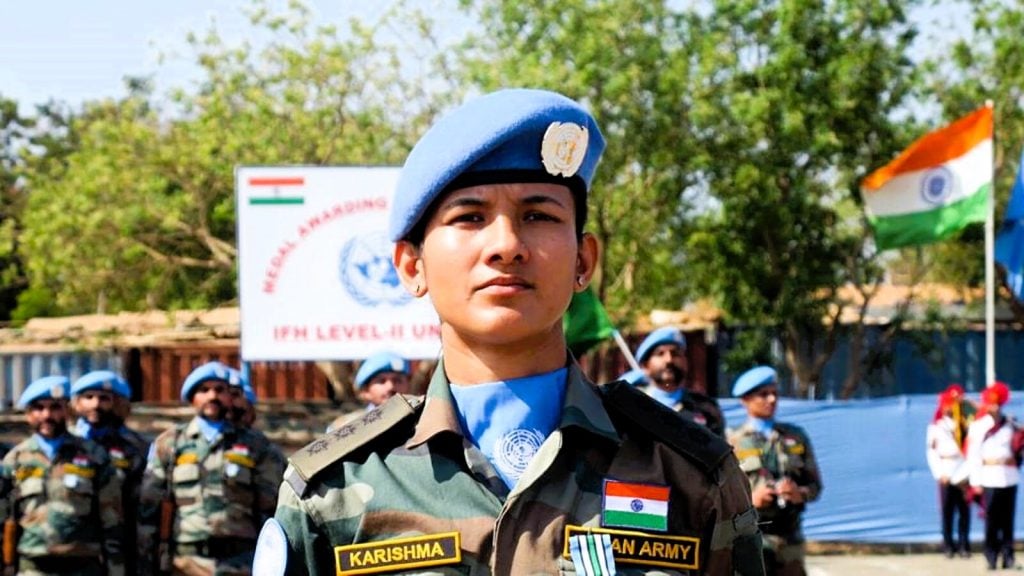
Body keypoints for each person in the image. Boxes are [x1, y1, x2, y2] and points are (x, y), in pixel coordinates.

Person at [260, 88, 764, 575]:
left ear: (584, 261)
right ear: (411, 266)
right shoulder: (333, 488)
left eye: (538, 214)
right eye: (470, 216)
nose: (506, 245)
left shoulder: (692, 474)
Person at [137, 361, 284, 575]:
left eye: (220, 390)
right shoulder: (170, 442)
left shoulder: (256, 444)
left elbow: (269, 507)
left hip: (241, 560)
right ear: (192, 398)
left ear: (230, 397)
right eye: (204, 390)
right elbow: (151, 507)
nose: (212, 396)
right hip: (186, 562)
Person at [0, 375, 124, 575]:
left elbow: (111, 520)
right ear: (28, 415)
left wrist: (116, 569)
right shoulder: (14, 460)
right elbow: (4, 517)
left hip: (82, 564)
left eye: (55, 407)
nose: (47, 415)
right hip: (32, 566)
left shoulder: (94, 456)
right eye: (38, 408)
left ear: (68, 410)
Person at [728, 366, 821, 576]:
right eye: (763, 394)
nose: (771, 399)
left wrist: (799, 494)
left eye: (774, 394)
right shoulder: (732, 441)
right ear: (746, 400)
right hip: (750, 539)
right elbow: (719, 495)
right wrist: (751, 500)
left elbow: (815, 486)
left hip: (789, 541)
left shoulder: (796, 436)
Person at [71, 370, 150, 575]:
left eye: (104, 398)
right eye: (89, 397)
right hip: (74, 548)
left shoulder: (135, 448)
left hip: (121, 548)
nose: (96, 405)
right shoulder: (65, 444)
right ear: (77, 403)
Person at [965, 382, 1023, 570]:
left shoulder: (1010, 424)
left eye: (998, 403)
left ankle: (1008, 556)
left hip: (1009, 476)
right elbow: (973, 456)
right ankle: (991, 555)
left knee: (1008, 520)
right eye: (991, 403)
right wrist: (976, 482)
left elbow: (1017, 447)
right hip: (988, 477)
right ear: (986, 404)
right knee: (991, 520)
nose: (995, 407)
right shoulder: (979, 426)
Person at [634, 326, 725, 436]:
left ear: (685, 362)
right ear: (645, 366)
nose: (669, 360)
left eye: (675, 353)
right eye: (660, 353)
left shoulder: (707, 408)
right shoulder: (635, 405)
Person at [926, 386, 972, 558]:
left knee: (964, 510)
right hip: (945, 468)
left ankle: (964, 545)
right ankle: (948, 545)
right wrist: (939, 473)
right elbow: (931, 452)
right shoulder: (936, 427)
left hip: (963, 468)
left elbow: (971, 450)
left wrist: (967, 473)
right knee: (947, 511)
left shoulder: (967, 423)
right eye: (948, 404)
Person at [325, 350, 412, 432]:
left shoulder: (421, 424)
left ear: (408, 385)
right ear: (365, 391)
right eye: (381, 381)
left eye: (397, 380)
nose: (390, 387)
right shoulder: (345, 427)